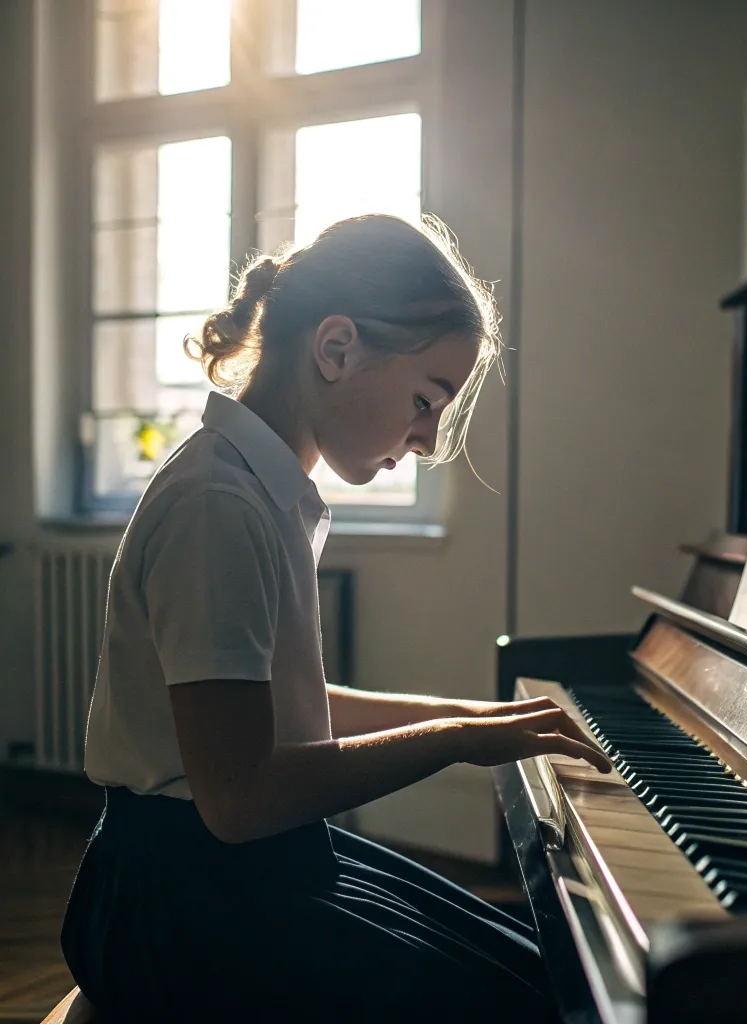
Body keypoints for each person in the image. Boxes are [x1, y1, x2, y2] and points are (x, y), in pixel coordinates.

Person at [61, 213, 612, 1023]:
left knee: (538, 966)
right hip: (176, 907)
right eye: (427, 400)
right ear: (336, 349)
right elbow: (241, 796)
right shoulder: (219, 505)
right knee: (527, 1004)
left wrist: (478, 717)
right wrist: (459, 742)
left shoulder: (260, 488)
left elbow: (284, 717)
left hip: (240, 869)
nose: (427, 439)